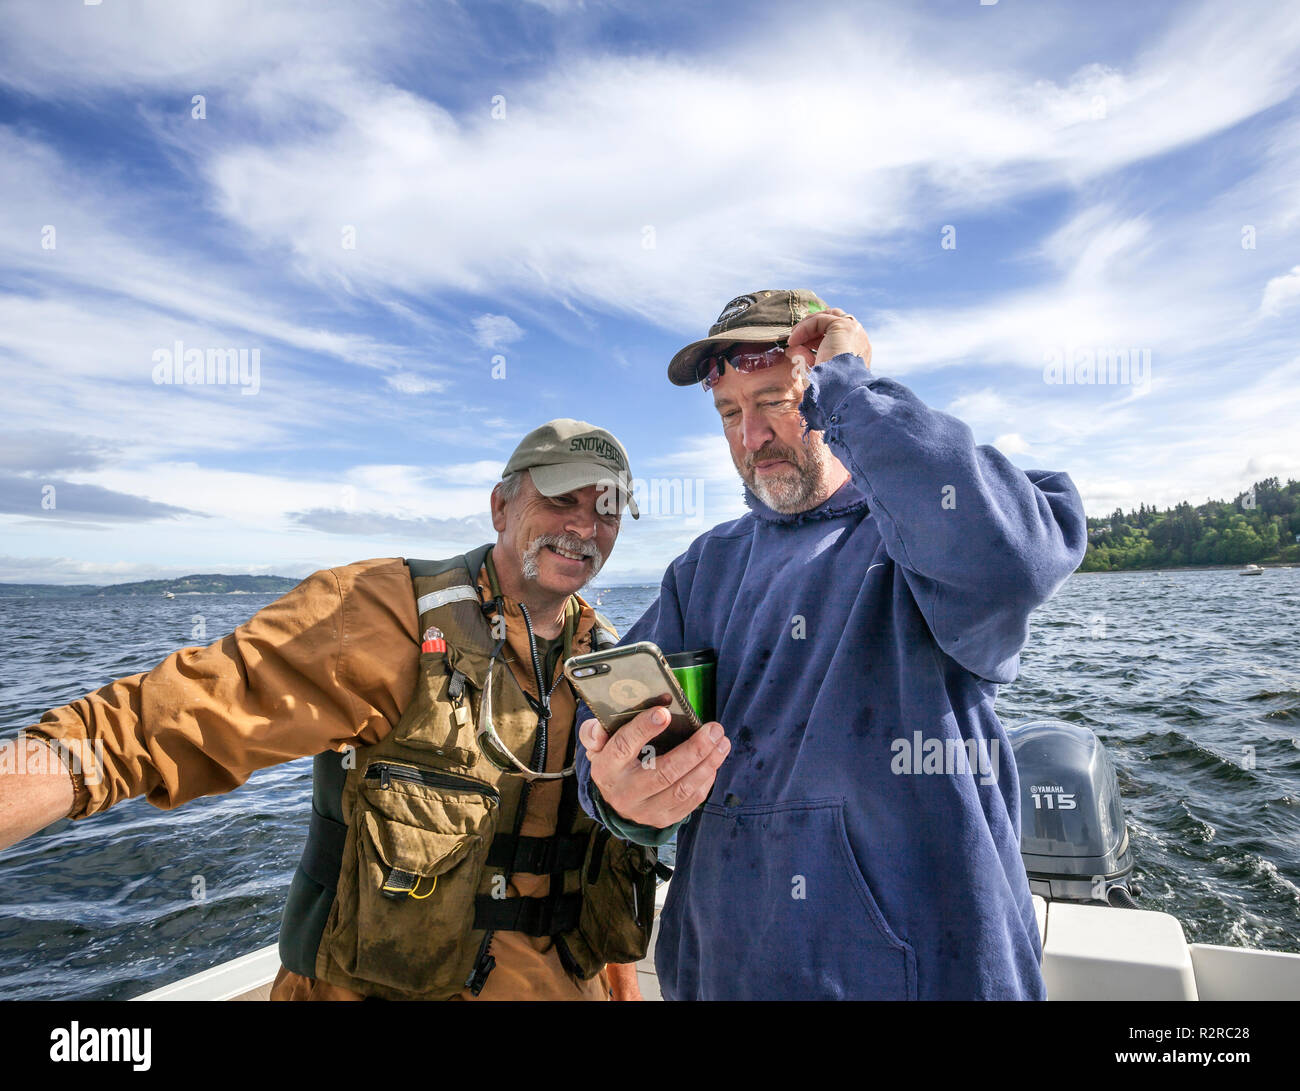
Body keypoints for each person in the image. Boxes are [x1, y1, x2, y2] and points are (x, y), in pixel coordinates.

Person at [1, 419, 655, 1001]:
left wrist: (619, 977)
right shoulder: (380, 612)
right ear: (500, 505)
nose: (583, 526)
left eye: (607, 509)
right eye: (560, 498)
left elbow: (599, 852)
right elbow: (167, 717)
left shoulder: (608, 660)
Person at [578, 289, 1088, 1000]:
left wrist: (855, 387)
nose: (752, 437)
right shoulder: (703, 568)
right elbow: (604, 731)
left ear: (827, 391)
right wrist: (616, 790)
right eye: (730, 412)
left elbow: (1013, 560)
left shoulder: (919, 534)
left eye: (776, 400)